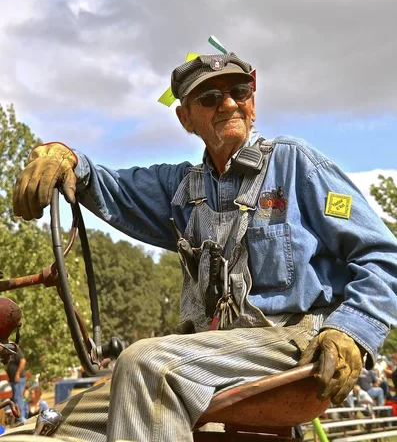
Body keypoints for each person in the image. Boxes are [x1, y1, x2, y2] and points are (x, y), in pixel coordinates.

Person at [12, 51, 397, 442]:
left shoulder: (295, 165)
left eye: (239, 91)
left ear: (253, 102)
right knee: (40, 429)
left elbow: (382, 255)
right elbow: (108, 184)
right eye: (210, 97)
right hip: (208, 357)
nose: (228, 103)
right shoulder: (181, 189)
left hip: (289, 343)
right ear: (185, 118)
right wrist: (65, 157)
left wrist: (350, 331)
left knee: (146, 363)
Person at [5, 346, 26, 424]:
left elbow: (23, 361)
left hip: (18, 379)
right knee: (14, 399)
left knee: (18, 398)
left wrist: (17, 374)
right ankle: (19, 419)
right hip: (13, 380)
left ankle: (22, 419)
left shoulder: (14, 348)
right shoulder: (6, 351)